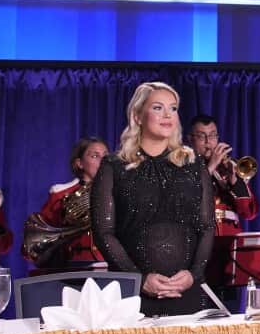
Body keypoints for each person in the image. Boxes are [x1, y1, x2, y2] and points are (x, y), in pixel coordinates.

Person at [91, 82, 214, 315]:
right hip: (132, 296)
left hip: (185, 293)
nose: (168, 115)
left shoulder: (193, 164)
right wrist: (139, 278)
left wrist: (193, 274)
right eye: (158, 108)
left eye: (173, 108)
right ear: (138, 116)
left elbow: (207, 226)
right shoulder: (114, 166)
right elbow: (104, 232)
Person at [25, 136, 108, 266]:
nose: (103, 161)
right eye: (95, 156)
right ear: (79, 163)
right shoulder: (62, 195)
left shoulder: (119, 190)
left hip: (113, 265)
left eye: (105, 155)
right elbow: (40, 239)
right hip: (77, 266)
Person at [188, 115, 258, 236]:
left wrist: (235, 181)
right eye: (201, 136)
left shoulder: (228, 167)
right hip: (199, 239)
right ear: (190, 139)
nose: (208, 142)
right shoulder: (183, 167)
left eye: (212, 135)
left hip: (230, 239)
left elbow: (250, 213)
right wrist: (211, 167)